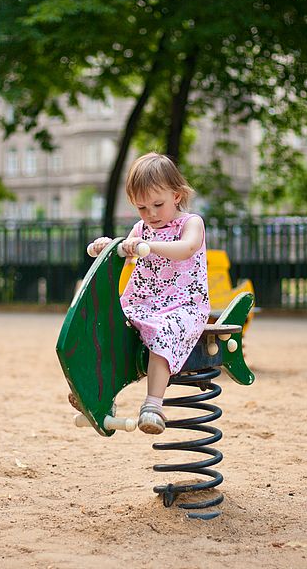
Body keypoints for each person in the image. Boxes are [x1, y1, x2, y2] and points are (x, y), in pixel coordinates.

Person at [86, 152, 210, 434]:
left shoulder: (191, 223)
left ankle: (153, 405)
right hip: (145, 302)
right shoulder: (141, 229)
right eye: (142, 208)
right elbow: (126, 254)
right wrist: (109, 246)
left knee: (162, 331)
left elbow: (187, 248)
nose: (151, 214)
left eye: (157, 204)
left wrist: (150, 246)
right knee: (108, 326)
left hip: (183, 305)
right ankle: (100, 394)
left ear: (176, 195)